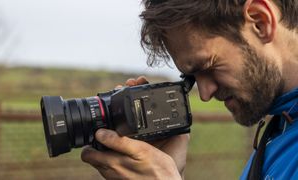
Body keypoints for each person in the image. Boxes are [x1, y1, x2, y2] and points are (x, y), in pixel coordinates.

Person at [81, 0, 298, 179]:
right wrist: (169, 169)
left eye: (208, 66)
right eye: (192, 78)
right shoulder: (282, 125)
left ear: (260, 21)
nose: (205, 94)